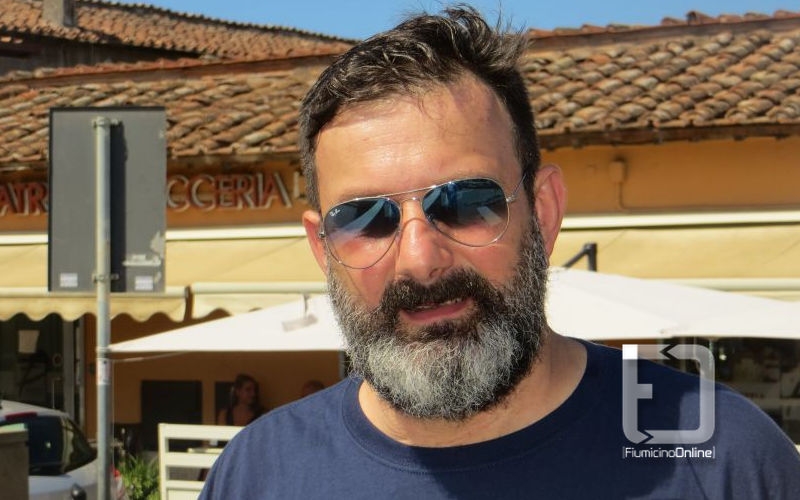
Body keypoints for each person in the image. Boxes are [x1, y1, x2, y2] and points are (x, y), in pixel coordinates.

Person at [201, 6, 800, 499]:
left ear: (544, 212)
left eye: (466, 202)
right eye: (365, 219)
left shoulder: (722, 458)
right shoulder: (257, 475)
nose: (419, 260)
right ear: (322, 247)